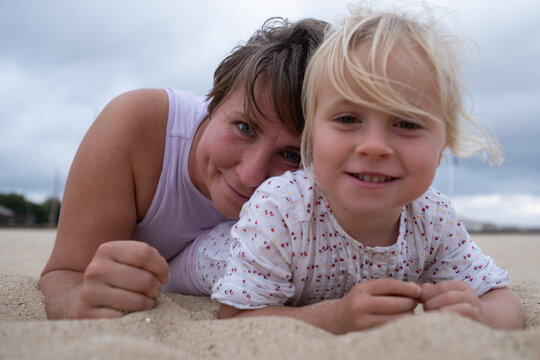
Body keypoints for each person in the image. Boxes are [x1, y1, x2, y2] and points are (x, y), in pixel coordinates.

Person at [189, 4, 525, 334]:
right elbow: (236, 318)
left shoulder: (433, 218)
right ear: (311, 137)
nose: (374, 146)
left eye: (406, 123)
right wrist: (334, 319)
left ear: (443, 147)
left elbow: (504, 300)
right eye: (348, 119)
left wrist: (480, 314)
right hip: (197, 258)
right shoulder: (281, 208)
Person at [38, 17, 329, 319]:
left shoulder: (332, 178)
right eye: (244, 127)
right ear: (213, 102)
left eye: (291, 155)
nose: (250, 175)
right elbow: (64, 274)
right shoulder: (136, 127)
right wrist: (78, 302)